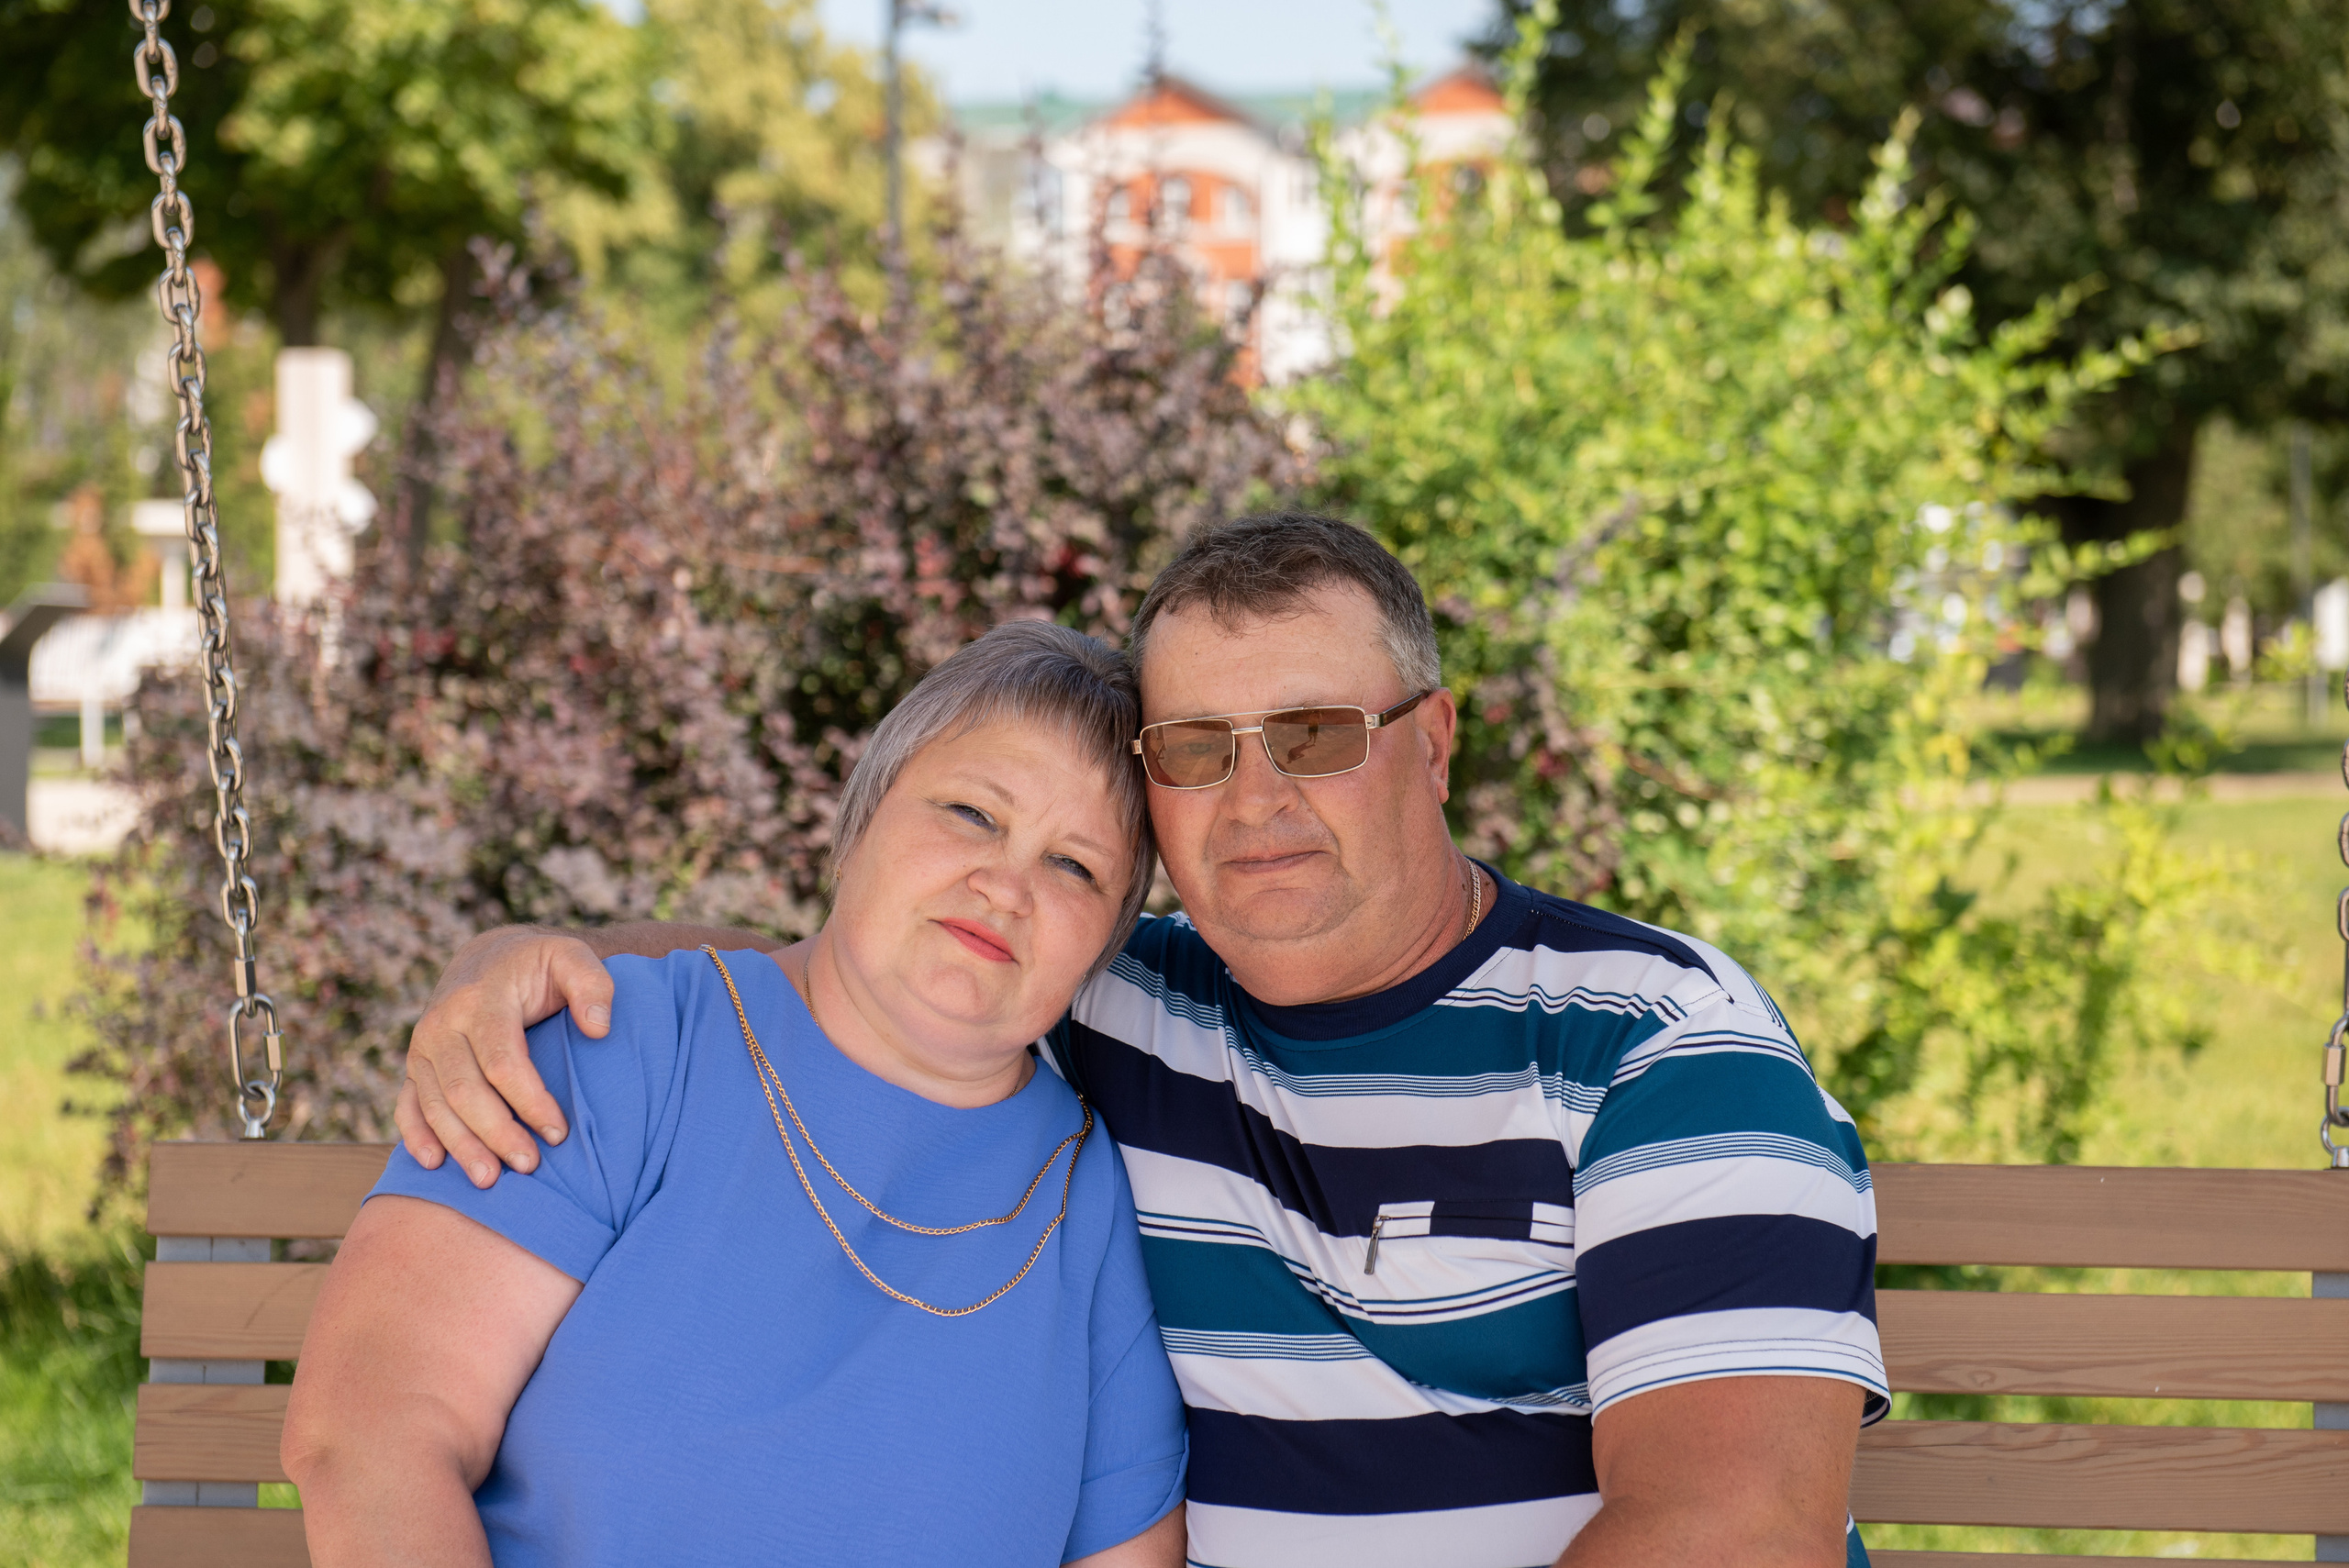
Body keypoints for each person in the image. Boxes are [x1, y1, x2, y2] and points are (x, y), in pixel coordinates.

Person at [396, 514, 1887, 1568]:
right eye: (1192, 750)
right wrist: (519, 969)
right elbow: (846, 960)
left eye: (1312, 733)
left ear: (1433, 740)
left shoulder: (1659, 1048)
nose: (1252, 801)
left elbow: (1736, 1532)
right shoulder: (1119, 997)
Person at [281, 621, 1190, 1568]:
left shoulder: (1088, 1195)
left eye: (1075, 865)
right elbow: (371, 1435)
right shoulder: (623, 1048)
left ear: (1107, 938)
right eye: (971, 812)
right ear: (860, 821)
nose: (1005, 884)